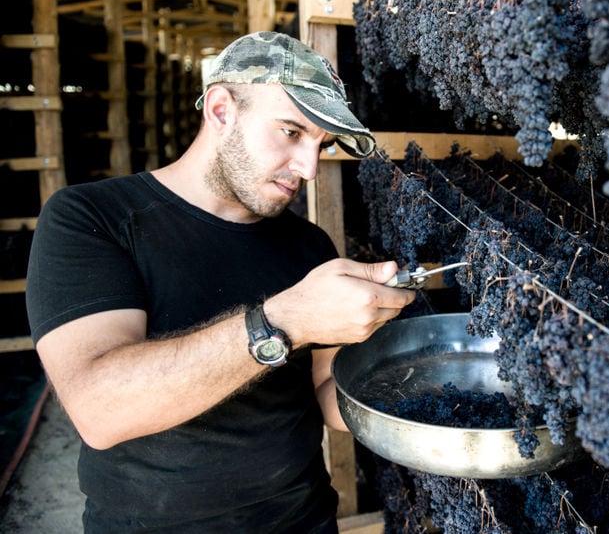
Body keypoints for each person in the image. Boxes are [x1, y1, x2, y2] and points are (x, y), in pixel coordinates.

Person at [25, 31, 417, 533]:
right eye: (292, 132)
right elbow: (98, 409)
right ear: (220, 109)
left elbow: (323, 391)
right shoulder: (92, 219)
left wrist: (403, 378)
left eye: (323, 144)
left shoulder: (309, 247)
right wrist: (286, 319)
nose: (310, 168)